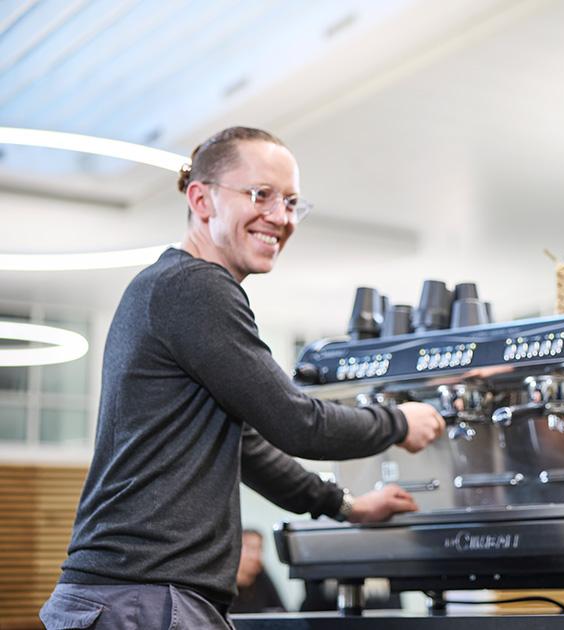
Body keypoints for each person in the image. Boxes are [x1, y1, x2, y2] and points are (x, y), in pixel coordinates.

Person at [40, 127, 445, 629]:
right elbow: (300, 423)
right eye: (261, 194)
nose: (281, 217)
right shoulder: (197, 286)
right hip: (145, 598)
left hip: (130, 595)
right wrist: (398, 422)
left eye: (291, 202)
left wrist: (346, 505)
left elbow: (249, 447)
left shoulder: (167, 287)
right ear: (201, 199)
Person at [231, 529, 285, 614]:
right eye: (251, 548)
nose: (256, 556)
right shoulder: (223, 581)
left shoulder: (261, 576)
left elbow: (280, 612)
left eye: (260, 549)